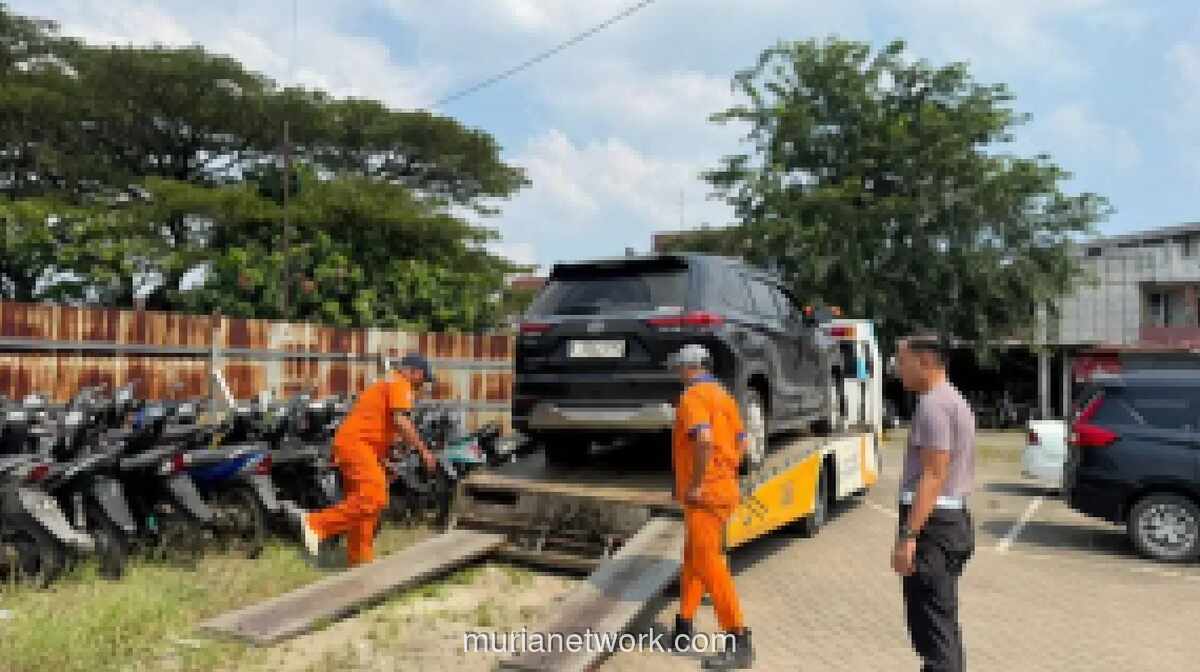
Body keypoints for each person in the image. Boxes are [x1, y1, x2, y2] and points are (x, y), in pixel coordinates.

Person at [297, 353, 438, 567]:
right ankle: (316, 524)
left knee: (365, 506)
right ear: (415, 372)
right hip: (357, 446)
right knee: (374, 497)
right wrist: (424, 451)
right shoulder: (401, 383)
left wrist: (385, 458)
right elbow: (401, 421)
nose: (423, 385)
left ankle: (360, 560)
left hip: (359, 446)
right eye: (423, 379)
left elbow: (379, 423)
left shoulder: (388, 381)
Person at [666, 344, 754, 670]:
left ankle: (738, 638)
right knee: (694, 557)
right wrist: (725, 471)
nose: (677, 372)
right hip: (723, 491)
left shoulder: (692, 398)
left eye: (679, 367)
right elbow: (743, 440)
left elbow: (702, 439)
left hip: (704, 496)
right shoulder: (725, 397)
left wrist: (698, 482)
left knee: (710, 566)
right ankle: (684, 625)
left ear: (690, 367)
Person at [892, 335, 977, 672]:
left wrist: (908, 536)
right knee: (940, 624)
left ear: (925, 361)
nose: (898, 370)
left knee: (935, 632)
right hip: (946, 524)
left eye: (902, 362)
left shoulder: (934, 405)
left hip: (933, 530)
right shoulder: (949, 399)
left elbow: (933, 474)